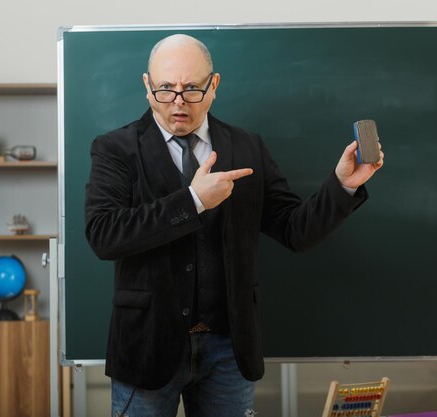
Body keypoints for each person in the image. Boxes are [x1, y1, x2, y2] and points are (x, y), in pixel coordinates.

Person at [85, 34, 384, 417]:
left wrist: (344, 185)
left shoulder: (247, 147)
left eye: (192, 88)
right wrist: (193, 201)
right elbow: (104, 234)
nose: (178, 102)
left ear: (214, 85)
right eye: (165, 89)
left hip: (228, 349)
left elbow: (294, 230)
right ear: (147, 86)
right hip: (147, 346)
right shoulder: (115, 148)